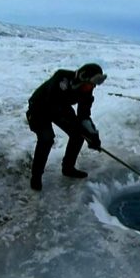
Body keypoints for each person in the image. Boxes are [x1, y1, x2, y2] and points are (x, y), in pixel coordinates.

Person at [26, 63, 105, 191]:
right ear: (82, 77)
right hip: (39, 108)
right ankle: (36, 176)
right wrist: (73, 121)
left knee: (79, 135)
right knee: (46, 139)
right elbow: (52, 102)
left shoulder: (87, 90)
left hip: (61, 108)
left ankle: (68, 168)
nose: (93, 86)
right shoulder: (61, 77)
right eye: (91, 83)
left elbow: (84, 115)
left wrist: (92, 135)